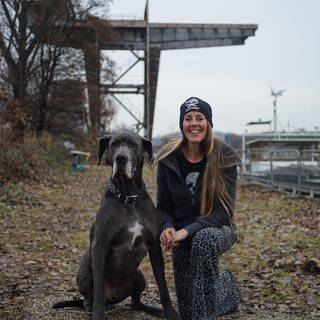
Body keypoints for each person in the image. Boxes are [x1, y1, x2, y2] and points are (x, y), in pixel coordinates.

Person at [154, 97, 242, 320]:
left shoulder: (225, 156)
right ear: (182, 124)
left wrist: (187, 231)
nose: (194, 123)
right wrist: (167, 227)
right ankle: (226, 288)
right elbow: (163, 207)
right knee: (189, 311)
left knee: (204, 240)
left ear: (208, 123)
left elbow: (224, 212)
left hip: (218, 229)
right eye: (188, 118)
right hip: (182, 237)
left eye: (199, 118)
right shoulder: (167, 159)